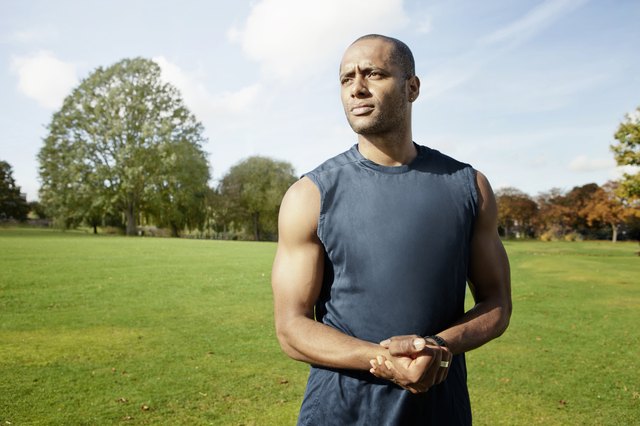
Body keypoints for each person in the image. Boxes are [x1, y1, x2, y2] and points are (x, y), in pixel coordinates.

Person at [271, 34, 512, 425]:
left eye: (374, 74)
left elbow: (497, 303)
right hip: (339, 412)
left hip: (440, 411)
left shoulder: (469, 186)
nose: (357, 88)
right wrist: (383, 360)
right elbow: (291, 327)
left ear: (412, 87)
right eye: (346, 78)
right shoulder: (310, 195)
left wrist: (438, 347)